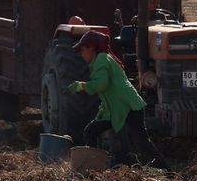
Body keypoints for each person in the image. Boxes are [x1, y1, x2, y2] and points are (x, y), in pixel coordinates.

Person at [67, 29, 167, 169]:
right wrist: (102, 112)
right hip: (120, 107)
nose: (82, 54)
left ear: (92, 49)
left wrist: (81, 86)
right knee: (91, 131)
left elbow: (101, 84)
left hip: (128, 107)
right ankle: (92, 168)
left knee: (142, 144)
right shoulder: (103, 59)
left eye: (83, 50)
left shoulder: (101, 59)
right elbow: (109, 92)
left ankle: (168, 172)